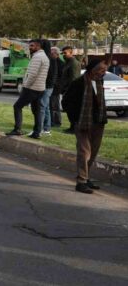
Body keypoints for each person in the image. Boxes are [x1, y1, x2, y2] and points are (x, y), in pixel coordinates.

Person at [61, 59, 108, 194]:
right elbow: (66, 102)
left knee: (93, 152)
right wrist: (75, 119)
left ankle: (86, 178)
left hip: (98, 122)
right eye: (101, 70)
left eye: (104, 70)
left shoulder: (100, 81)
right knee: (84, 152)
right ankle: (81, 182)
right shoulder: (79, 83)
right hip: (82, 122)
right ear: (93, 69)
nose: (103, 73)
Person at [7, 39, 49, 139]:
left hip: (31, 88)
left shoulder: (37, 57)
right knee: (37, 110)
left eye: (32, 46)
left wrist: (25, 85)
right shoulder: (44, 57)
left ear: (38, 46)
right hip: (40, 88)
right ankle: (37, 132)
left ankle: (17, 129)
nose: (29, 48)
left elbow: (33, 75)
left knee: (17, 106)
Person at [60, 46, 81, 133]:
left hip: (72, 90)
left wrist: (69, 90)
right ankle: (72, 126)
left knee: (72, 110)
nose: (64, 55)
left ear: (71, 53)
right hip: (66, 89)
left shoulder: (73, 63)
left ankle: (74, 127)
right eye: (63, 53)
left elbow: (74, 78)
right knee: (68, 109)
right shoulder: (67, 62)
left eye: (65, 53)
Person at [39, 40, 57, 135]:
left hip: (46, 86)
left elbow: (51, 74)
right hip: (47, 85)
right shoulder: (49, 58)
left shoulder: (48, 58)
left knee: (42, 106)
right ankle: (46, 128)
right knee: (45, 107)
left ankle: (40, 128)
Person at [49, 47, 64, 128]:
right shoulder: (52, 62)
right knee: (51, 105)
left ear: (57, 54)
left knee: (55, 106)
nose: (50, 55)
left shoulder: (60, 64)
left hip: (56, 89)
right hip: (52, 87)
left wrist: (56, 85)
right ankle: (51, 121)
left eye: (52, 54)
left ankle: (56, 122)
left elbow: (61, 78)